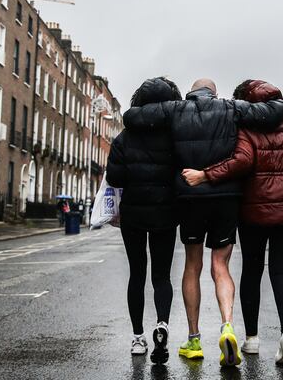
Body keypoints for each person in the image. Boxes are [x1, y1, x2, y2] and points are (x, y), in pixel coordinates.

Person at [124, 78, 283, 367]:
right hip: (226, 197)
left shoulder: (175, 109)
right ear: (214, 93)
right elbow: (276, 110)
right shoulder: (230, 108)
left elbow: (132, 117)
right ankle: (227, 325)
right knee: (220, 266)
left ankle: (194, 339)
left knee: (192, 266)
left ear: (191, 92)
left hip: (189, 197)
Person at [181, 80, 283, 365]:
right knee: (282, 272)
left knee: (252, 272)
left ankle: (252, 340)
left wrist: (206, 175)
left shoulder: (247, 129)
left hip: (255, 212)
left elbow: (242, 162)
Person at [106, 77, 183, 365]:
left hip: (133, 215)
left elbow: (114, 178)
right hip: (165, 213)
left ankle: (138, 338)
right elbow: (183, 171)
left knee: (137, 274)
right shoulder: (174, 135)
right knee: (162, 276)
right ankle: (162, 325)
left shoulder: (124, 137)